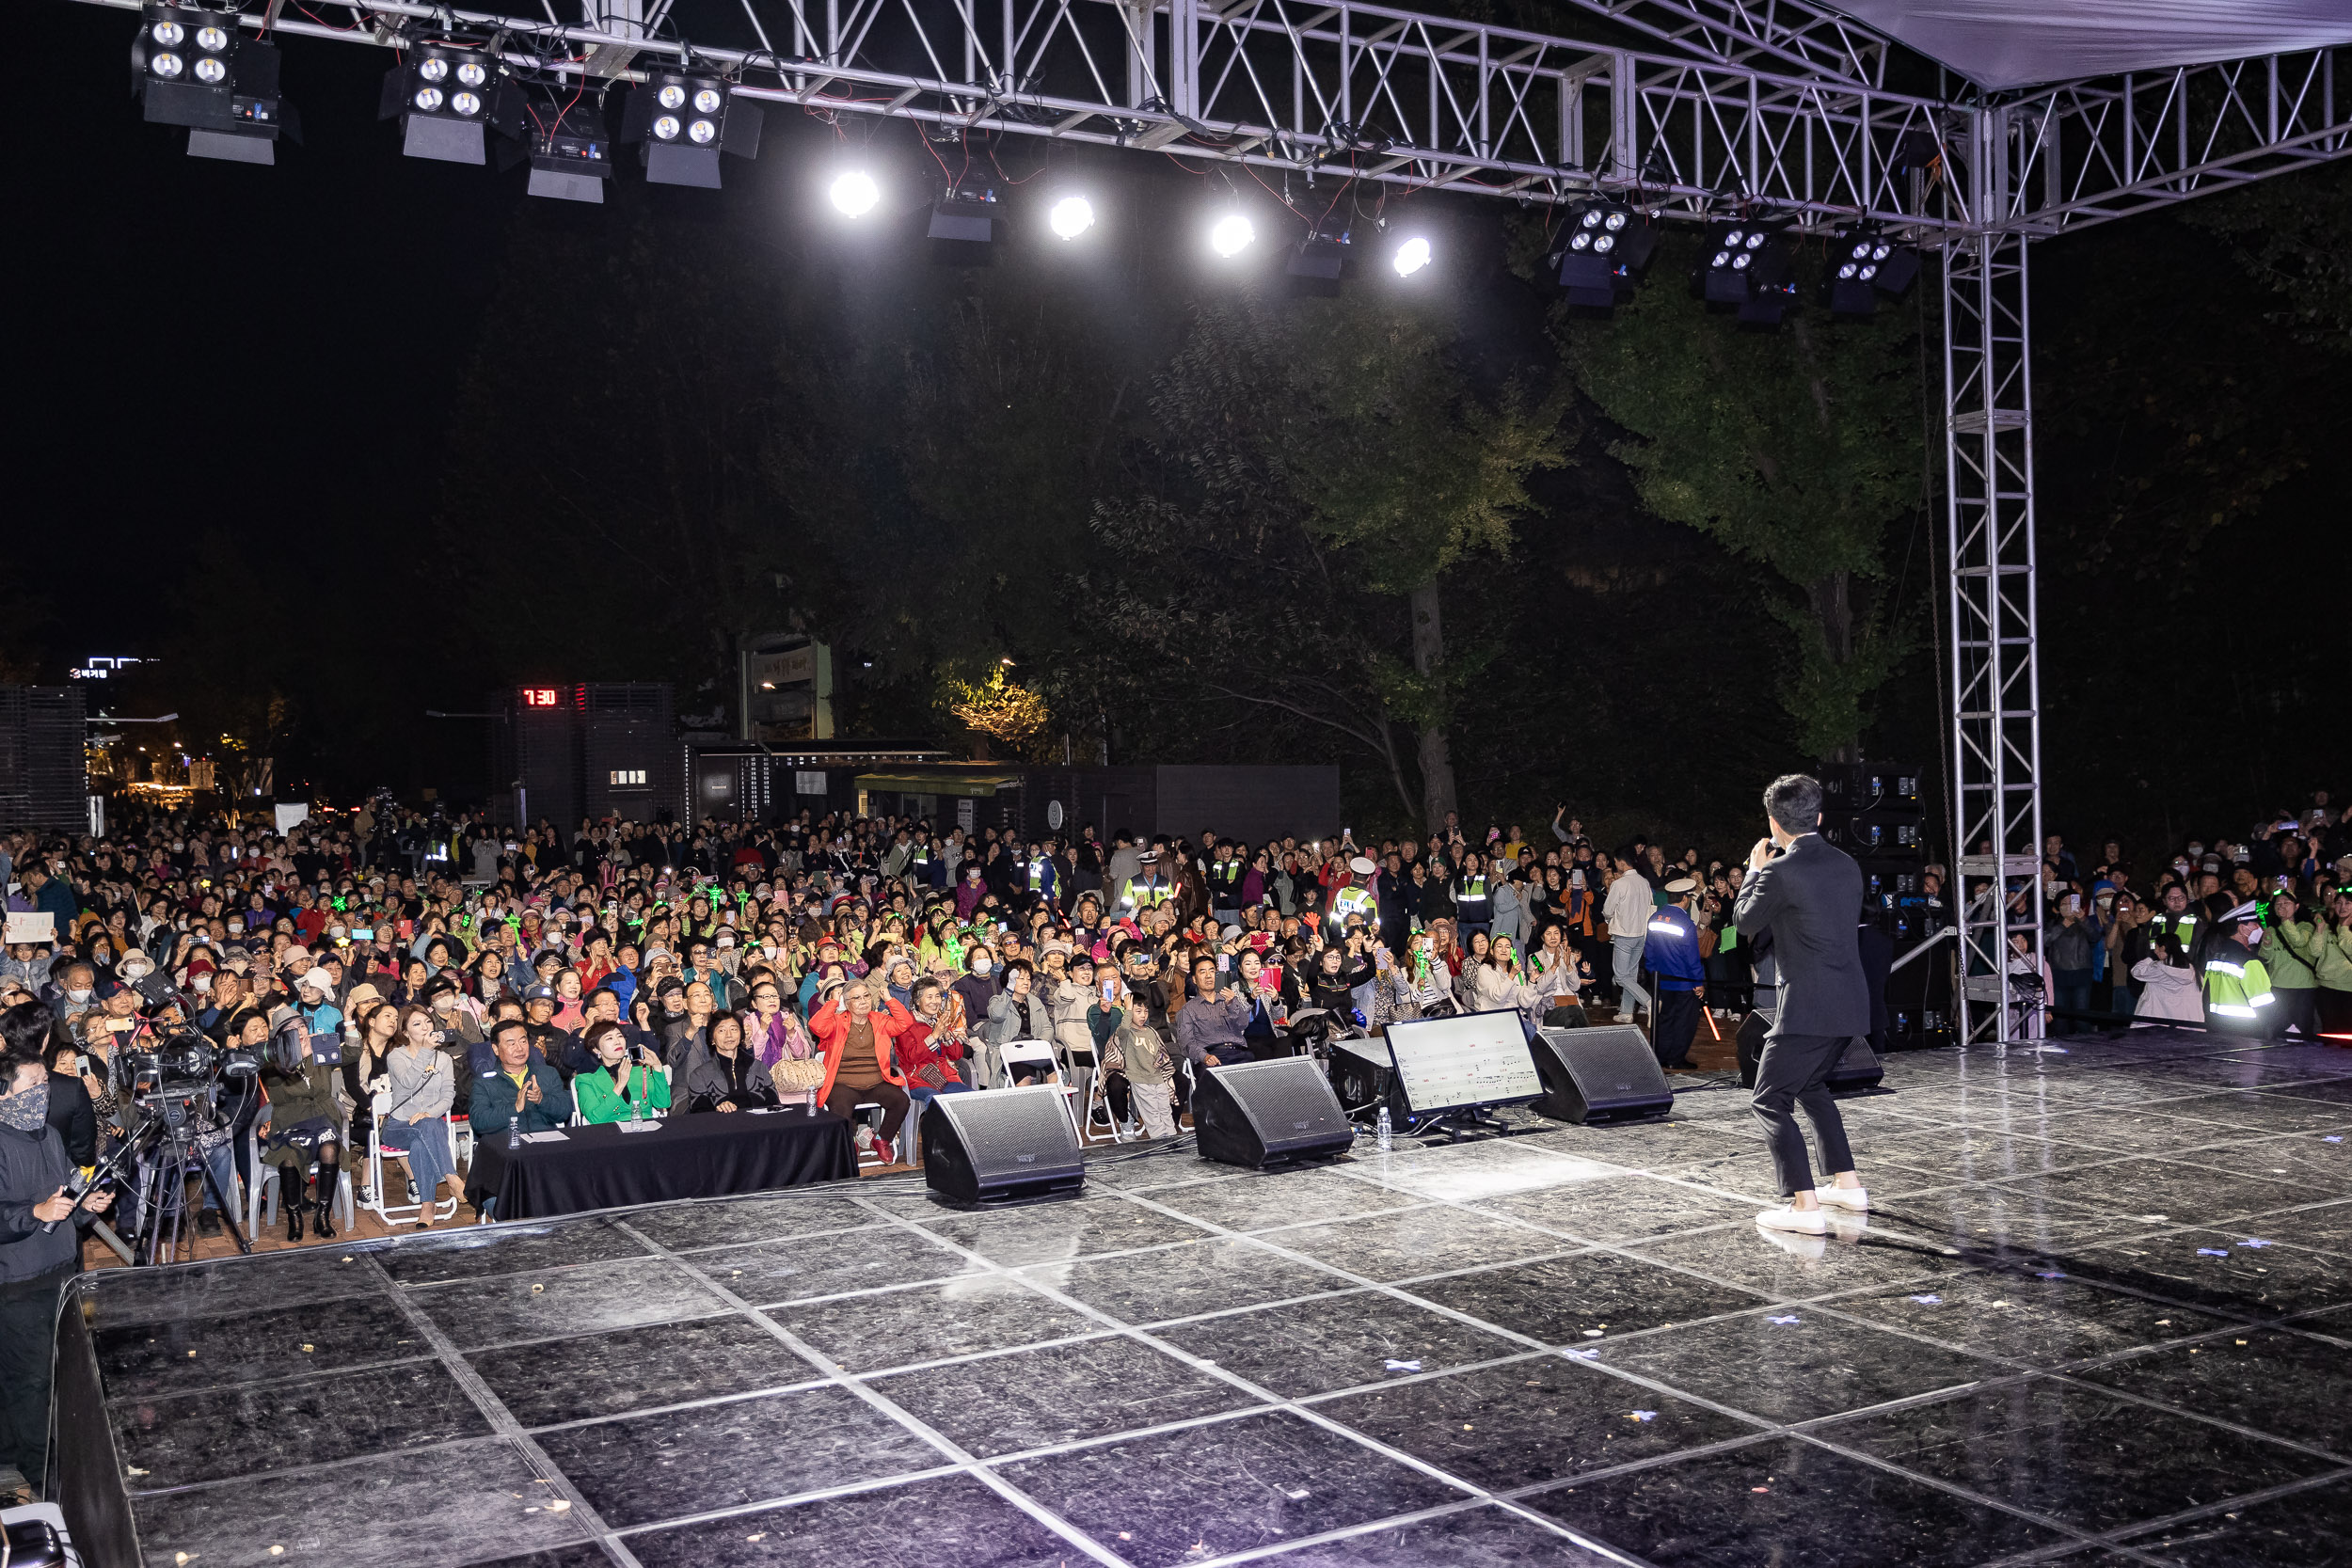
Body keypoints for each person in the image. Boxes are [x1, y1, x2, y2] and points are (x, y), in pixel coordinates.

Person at [1732, 774, 1870, 1237]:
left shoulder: (1779, 870)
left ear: (1774, 823)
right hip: (1849, 1004)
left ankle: (1804, 1206)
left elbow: (1745, 922)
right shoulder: (1847, 864)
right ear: (1820, 817)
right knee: (1810, 1086)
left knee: (1769, 1098)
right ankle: (1847, 1185)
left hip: (1805, 1008)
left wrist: (1754, 870)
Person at [0, 1038, 114, 1504]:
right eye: (35, 1084)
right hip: (19, 1284)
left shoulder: (47, 1134)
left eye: (45, 1084)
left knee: (65, 1370)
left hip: (65, 1272)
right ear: (4, 1093)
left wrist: (87, 1207)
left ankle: (61, 1454)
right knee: (29, 1382)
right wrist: (35, 1213)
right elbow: (24, 1212)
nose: (44, 1092)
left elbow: (64, 1190)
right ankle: (40, 1476)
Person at [368, 1005, 463, 1227]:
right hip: (398, 1126)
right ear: (406, 1032)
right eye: (417, 1024)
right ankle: (451, 1177)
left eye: (428, 1022)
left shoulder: (444, 1060)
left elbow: (448, 1096)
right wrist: (426, 1052)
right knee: (429, 1127)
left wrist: (429, 1113)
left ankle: (427, 1205)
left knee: (425, 1135)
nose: (425, 1027)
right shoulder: (396, 1056)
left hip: (429, 1126)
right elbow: (409, 1082)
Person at [255, 1013, 346, 1242]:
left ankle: (322, 1215)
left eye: (303, 1026)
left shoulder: (319, 1049)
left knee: (330, 1147)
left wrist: (350, 1021)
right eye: (293, 1028)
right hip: (290, 1122)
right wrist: (296, 1059)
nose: (301, 1031)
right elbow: (276, 1089)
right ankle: (294, 1216)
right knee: (287, 1156)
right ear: (282, 1035)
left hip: (323, 1119)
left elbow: (352, 1053)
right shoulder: (271, 1061)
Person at [807, 978, 915, 1159]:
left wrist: (889, 999)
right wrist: (833, 1001)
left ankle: (881, 1139)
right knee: (840, 1107)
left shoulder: (879, 1020)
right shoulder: (836, 1022)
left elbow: (905, 1023)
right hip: (843, 1084)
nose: (864, 1001)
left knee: (901, 1100)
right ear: (847, 1003)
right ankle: (850, 1141)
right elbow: (816, 1026)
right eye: (857, 998)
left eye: (866, 996)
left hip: (876, 1083)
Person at [470, 1019, 574, 1146]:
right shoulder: (484, 1082)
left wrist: (542, 1100)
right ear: (496, 1049)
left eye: (523, 1041)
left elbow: (564, 1112)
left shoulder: (547, 1073)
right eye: (511, 1044)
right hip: (507, 1148)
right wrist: (514, 1108)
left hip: (545, 1146)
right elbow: (479, 1122)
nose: (519, 1048)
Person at [1645, 879, 1706, 1069]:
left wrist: (1654, 974)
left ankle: (1660, 1056)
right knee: (1684, 1022)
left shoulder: (1655, 918)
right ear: (1685, 899)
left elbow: (1649, 951)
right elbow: (1692, 957)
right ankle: (1676, 1059)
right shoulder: (1685, 923)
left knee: (1665, 1019)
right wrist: (1698, 982)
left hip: (1661, 981)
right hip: (1684, 983)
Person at [2200, 902, 2276, 1037]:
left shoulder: (2215, 958)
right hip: (2247, 1031)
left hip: (2217, 1028)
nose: (2260, 928)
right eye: (2255, 924)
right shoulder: (2249, 962)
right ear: (2242, 928)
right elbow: (2264, 1006)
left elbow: (2206, 996)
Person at [677, 1011, 776, 1114]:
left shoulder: (759, 1067)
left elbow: (775, 1104)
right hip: (721, 1126)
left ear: (741, 1035)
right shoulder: (700, 1074)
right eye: (721, 1030)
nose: (729, 1035)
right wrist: (717, 1108)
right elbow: (699, 1112)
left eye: (734, 1029)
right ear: (712, 1039)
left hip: (760, 1125)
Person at [575, 1020, 674, 1122]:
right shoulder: (586, 1080)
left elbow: (663, 1103)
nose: (617, 1041)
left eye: (620, 1036)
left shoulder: (641, 1071)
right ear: (596, 1049)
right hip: (611, 1133)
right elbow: (595, 1118)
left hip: (645, 1129)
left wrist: (657, 1067)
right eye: (609, 1038)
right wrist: (620, 1085)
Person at [1603, 855, 1653, 1022]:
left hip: (1624, 934)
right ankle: (1626, 1012)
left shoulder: (1620, 884)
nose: (1615, 865)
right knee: (1630, 975)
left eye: (1616, 862)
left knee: (1621, 976)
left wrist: (1609, 917)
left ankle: (1648, 1001)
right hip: (1640, 934)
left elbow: (1608, 910)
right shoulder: (1644, 882)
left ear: (1621, 862)